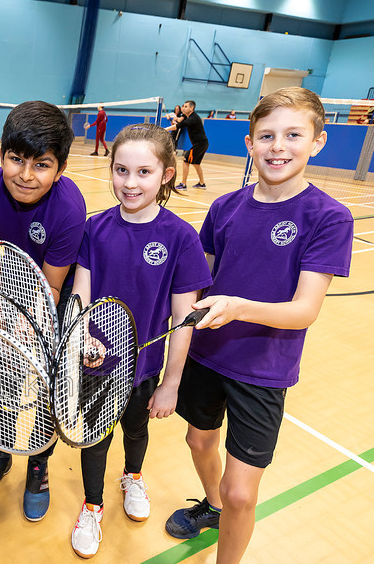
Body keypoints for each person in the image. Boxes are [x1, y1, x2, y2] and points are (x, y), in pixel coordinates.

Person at [164, 87, 354, 563]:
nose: (278, 146)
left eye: (293, 135)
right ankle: (210, 504)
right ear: (250, 143)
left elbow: (305, 310)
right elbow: (196, 280)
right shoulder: (224, 208)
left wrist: (238, 306)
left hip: (263, 369)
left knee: (242, 495)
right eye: (266, 135)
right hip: (207, 356)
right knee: (197, 440)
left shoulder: (329, 217)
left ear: (318, 142)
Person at [69, 123, 212, 558]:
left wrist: (170, 383)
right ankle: (92, 505)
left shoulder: (181, 237)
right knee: (94, 439)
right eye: (121, 170)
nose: (130, 183)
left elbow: (184, 318)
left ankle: (133, 475)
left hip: (145, 370)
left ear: (167, 174)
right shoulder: (96, 229)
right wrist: (79, 341)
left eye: (144, 172)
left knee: (136, 429)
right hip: (95, 366)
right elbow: (79, 294)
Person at [0, 100, 87, 521]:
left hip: (50, 303)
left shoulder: (69, 209)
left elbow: (51, 286)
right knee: (5, 383)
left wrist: (29, 327)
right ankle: (0, 455)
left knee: (47, 390)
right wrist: (3, 320)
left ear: (62, 167)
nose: (26, 175)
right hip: (4, 295)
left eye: (42, 164)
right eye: (16, 160)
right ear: (2, 154)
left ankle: (38, 465)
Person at [165, 100, 208, 190]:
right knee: (196, 164)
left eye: (186, 106)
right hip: (202, 144)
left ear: (191, 108)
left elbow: (179, 126)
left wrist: (166, 129)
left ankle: (183, 184)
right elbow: (180, 122)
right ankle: (202, 183)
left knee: (186, 161)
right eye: (183, 106)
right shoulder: (190, 117)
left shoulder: (193, 118)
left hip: (199, 144)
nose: (183, 108)